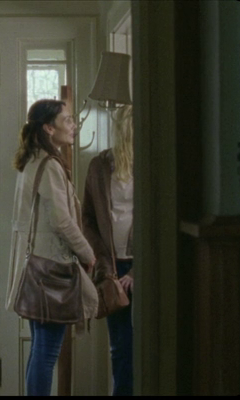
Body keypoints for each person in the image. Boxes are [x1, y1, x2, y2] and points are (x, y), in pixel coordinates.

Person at [5, 99, 98, 396]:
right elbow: (62, 221)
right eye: (67, 120)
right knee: (46, 353)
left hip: (37, 268)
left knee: (40, 350)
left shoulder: (34, 160)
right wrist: (87, 253)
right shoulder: (48, 165)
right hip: (50, 270)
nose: (73, 125)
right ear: (48, 128)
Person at [82, 104, 134, 396]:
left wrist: (138, 271)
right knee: (120, 345)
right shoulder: (99, 166)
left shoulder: (150, 164)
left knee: (148, 341)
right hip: (112, 268)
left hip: (141, 265)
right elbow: (87, 218)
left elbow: (159, 219)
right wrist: (104, 262)